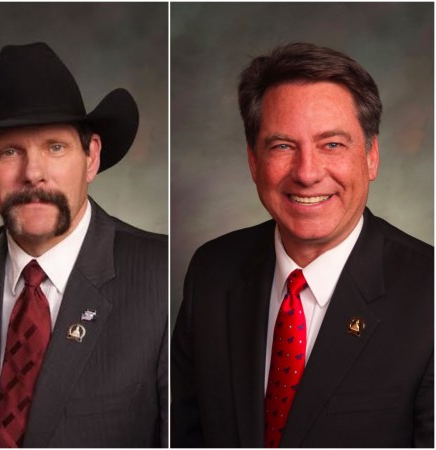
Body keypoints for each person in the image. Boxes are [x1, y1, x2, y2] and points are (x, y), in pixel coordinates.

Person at [0, 42, 168, 447]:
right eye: (9, 152)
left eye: (55, 147)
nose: (33, 173)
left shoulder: (163, 278)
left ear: (91, 157)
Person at [171, 42, 434, 447]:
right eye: (282, 146)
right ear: (253, 162)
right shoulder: (211, 271)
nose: (307, 173)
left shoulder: (427, 291)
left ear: (371, 157)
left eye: (332, 144)